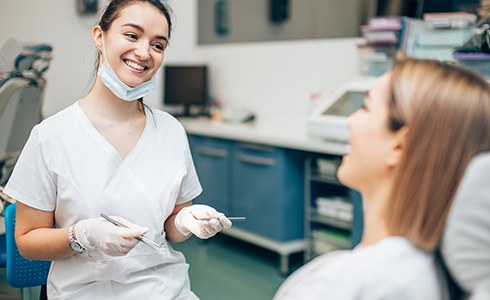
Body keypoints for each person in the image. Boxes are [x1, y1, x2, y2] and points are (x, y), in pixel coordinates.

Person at [3, 1, 231, 299]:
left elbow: (171, 231)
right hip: (84, 292)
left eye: (158, 44)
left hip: (165, 289)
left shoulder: (171, 131)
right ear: (100, 36)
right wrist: (81, 235)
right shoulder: (52, 135)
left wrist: (187, 221)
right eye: (132, 36)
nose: (144, 52)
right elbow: (27, 242)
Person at [274, 56, 490, 299]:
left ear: (398, 147)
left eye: (366, 107)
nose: (351, 121)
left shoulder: (354, 283)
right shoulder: (425, 272)